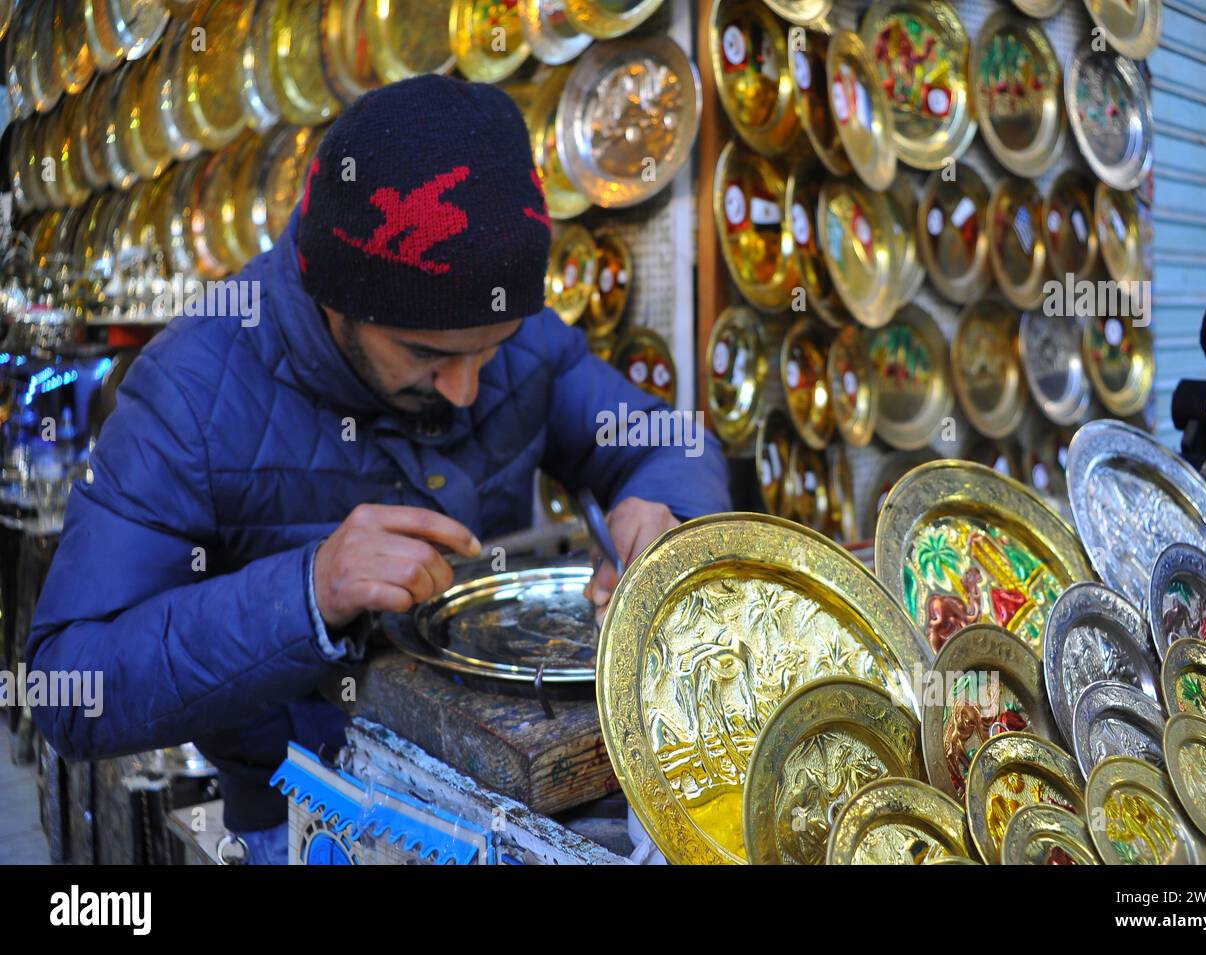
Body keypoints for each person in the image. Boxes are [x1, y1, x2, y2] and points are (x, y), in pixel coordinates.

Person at [28, 74, 730, 864]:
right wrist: (306, 593)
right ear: (337, 299)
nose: (466, 387)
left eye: (490, 350)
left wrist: (663, 512)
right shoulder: (191, 389)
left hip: (506, 795)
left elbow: (665, 437)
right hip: (308, 814)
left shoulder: (515, 338)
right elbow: (69, 682)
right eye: (427, 353)